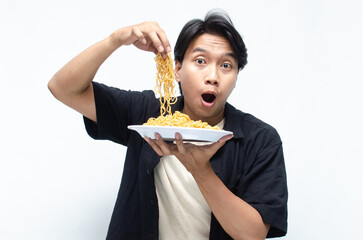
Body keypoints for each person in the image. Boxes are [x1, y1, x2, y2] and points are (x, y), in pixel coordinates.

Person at [48, 10, 288, 240]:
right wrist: (116, 40)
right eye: (200, 61)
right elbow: (63, 88)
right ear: (178, 69)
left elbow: (253, 234)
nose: (213, 76)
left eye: (226, 65)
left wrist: (201, 170)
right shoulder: (147, 113)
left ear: (236, 77)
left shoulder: (261, 140)